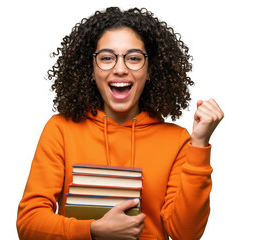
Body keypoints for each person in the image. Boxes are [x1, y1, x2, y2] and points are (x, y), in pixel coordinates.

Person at [16, 7, 224, 240]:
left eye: (134, 58)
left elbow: (186, 234)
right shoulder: (61, 130)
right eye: (106, 58)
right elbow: (29, 224)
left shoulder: (177, 141)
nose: (120, 68)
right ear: (91, 71)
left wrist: (199, 144)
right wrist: (93, 230)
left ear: (150, 71)